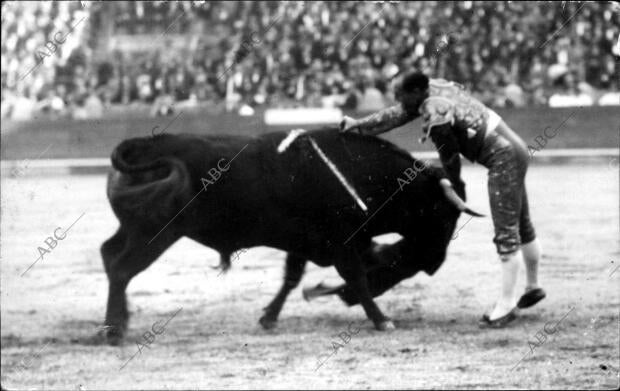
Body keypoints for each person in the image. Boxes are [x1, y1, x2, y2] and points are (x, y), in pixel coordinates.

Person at [337, 71, 546, 328]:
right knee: (521, 222)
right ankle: (533, 285)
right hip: (517, 149)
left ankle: (507, 305)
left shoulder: (434, 110)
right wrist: (359, 124)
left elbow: (449, 158)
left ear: (415, 92)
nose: (397, 100)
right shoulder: (434, 88)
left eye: (400, 94)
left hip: (504, 158)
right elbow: (397, 114)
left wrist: (453, 188)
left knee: (506, 231)